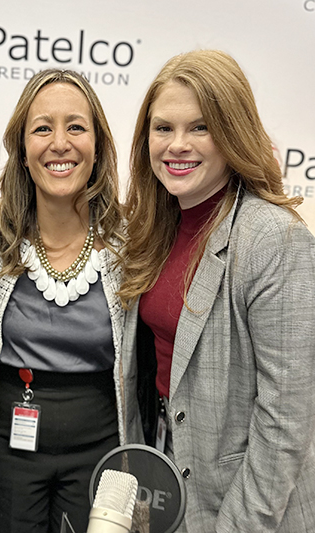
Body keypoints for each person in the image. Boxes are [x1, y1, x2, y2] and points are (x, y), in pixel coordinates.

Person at [119, 49, 315, 532]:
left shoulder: (274, 239)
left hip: (243, 502)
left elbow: (285, 420)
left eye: (200, 128)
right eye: (163, 128)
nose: (177, 145)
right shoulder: (153, 226)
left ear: (232, 134)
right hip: (164, 470)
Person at [0, 69, 136, 533]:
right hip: (6, 442)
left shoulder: (131, 241)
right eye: (42, 128)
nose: (59, 143)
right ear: (23, 151)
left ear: (98, 145)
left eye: (76, 127)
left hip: (102, 443)